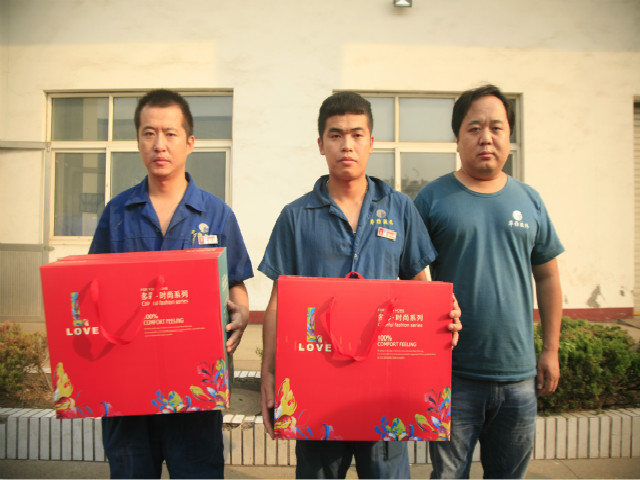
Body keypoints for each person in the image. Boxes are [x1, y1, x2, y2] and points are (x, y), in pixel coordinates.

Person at [258, 91, 462, 479]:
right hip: (316, 387)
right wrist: (269, 374)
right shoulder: (296, 216)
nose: (346, 145)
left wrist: (444, 315)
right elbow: (278, 304)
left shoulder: (399, 208)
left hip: (383, 386)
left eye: (356, 134)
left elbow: (422, 288)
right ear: (321, 144)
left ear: (371, 142)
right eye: (335, 135)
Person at [89, 89, 253, 479]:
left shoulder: (217, 214)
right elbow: (91, 287)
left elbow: (236, 283)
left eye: (170, 133)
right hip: (127, 387)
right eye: (149, 133)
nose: (159, 144)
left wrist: (243, 313)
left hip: (195, 385)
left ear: (189, 142)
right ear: (138, 141)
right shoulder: (117, 213)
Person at [414, 84, 564, 479]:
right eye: (474, 128)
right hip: (453, 375)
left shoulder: (529, 200)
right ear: (457, 138)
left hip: (519, 376)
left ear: (509, 136)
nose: (486, 137)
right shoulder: (432, 199)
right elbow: (409, 274)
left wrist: (550, 350)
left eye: (496, 127)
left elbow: (548, 275)